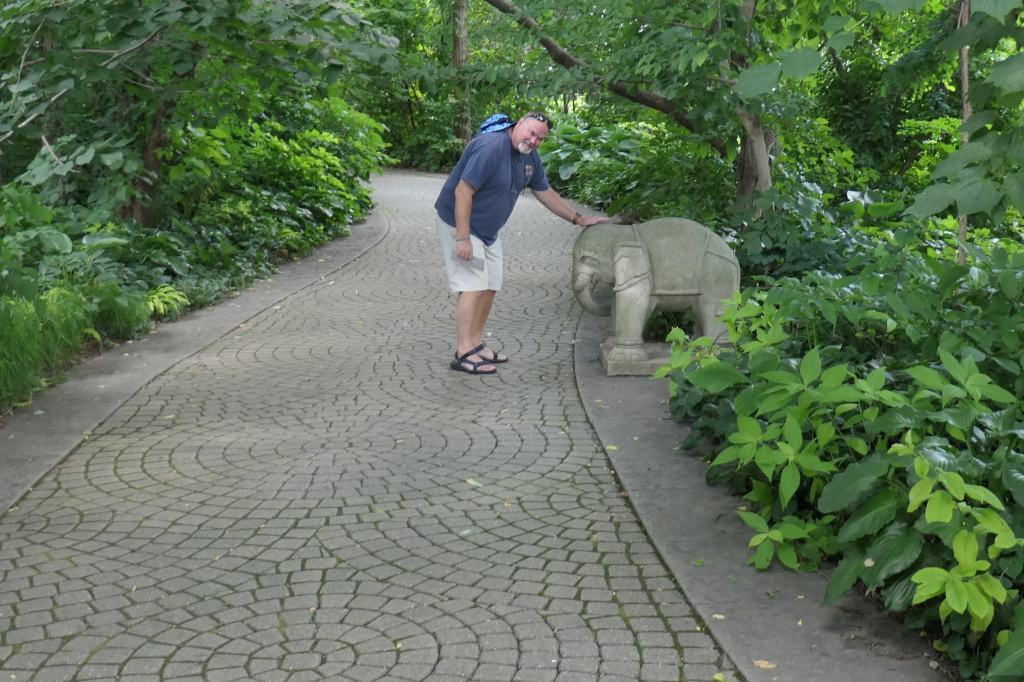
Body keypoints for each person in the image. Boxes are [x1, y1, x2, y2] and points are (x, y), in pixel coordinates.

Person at [434, 111, 607, 375]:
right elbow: (463, 190)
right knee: (472, 286)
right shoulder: (492, 147)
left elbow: (544, 191)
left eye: (540, 138)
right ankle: (463, 352)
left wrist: (577, 218)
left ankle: (476, 343)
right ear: (519, 124)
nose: (534, 141)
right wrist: (463, 237)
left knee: (490, 286)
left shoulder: (529, 157)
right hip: (461, 224)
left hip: (489, 231)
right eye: (531, 133)